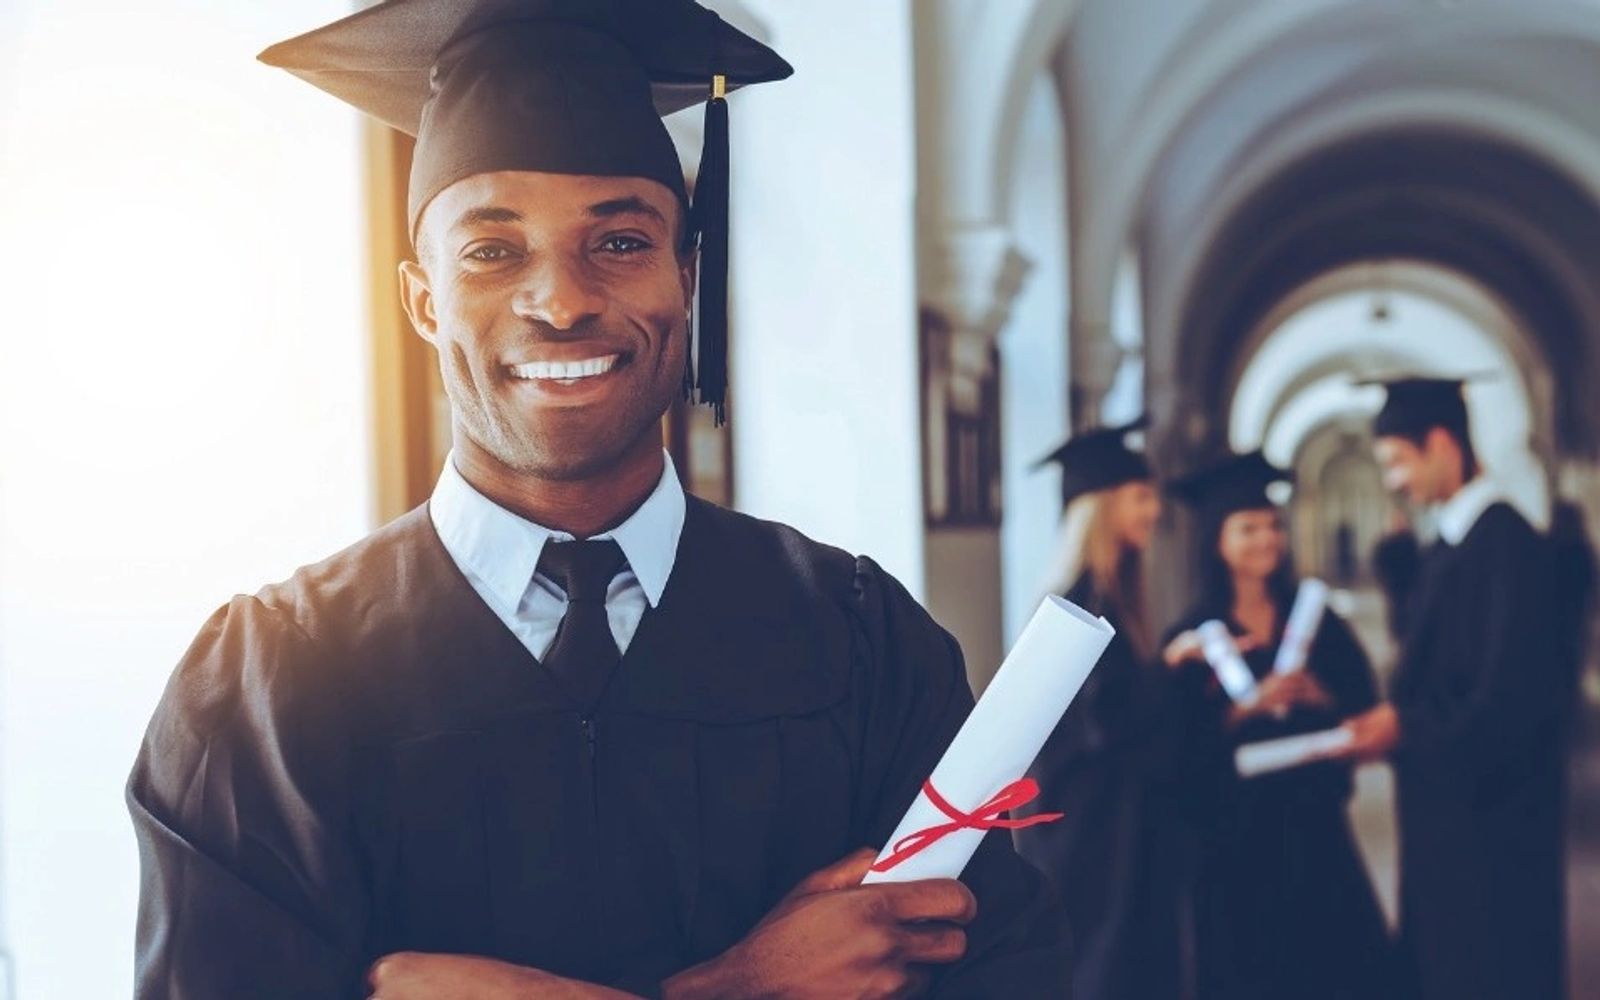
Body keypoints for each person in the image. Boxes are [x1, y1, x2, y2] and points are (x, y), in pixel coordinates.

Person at [125, 2, 1071, 997]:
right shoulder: (261, 691)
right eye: (493, 251)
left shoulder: (867, 647)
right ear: (421, 300)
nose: (563, 299)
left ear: (685, 275)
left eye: (619, 240)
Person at [1336, 377, 1569, 1000]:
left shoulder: (1507, 548)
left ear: (1440, 444)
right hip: (1452, 825)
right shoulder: (1458, 542)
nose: (1393, 481)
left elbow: (1509, 704)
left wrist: (1405, 726)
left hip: (1493, 839)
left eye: (1396, 461)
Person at [1162, 451, 1393, 1000]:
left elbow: (1362, 702)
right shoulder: (1195, 638)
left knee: (1336, 965)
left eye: (1271, 527)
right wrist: (1244, 709)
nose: (1265, 540)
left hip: (1313, 824)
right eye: (1247, 529)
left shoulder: (1315, 618)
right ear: (1217, 542)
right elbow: (1174, 746)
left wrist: (1323, 695)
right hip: (1236, 838)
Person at [1013, 420, 1186, 999]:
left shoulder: (1107, 595)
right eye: (1140, 495)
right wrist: (1172, 673)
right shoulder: (1081, 604)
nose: (1154, 509)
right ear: (1102, 505)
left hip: (1109, 821)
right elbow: (1110, 721)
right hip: (1092, 833)